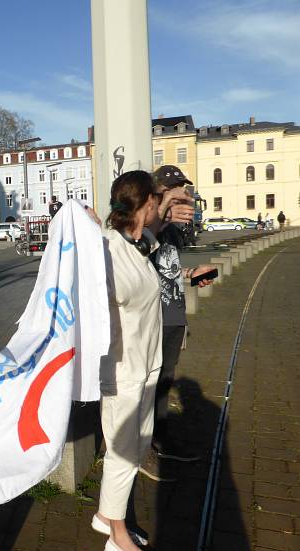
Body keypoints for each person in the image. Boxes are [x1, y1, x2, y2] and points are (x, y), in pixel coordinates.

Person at [93, 170, 161, 551]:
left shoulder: (136, 244)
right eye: (156, 202)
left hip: (146, 365)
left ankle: (107, 516)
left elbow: (150, 239)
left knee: (136, 448)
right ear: (147, 203)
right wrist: (88, 236)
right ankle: (117, 537)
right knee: (121, 453)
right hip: (123, 371)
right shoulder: (108, 250)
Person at [141, 166, 215, 474]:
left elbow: (167, 268)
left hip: (173, 316)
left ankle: (160, 438)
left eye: (184, 191)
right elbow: (138, 252)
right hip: (151, 318)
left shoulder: (173, 231)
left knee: (164, 380)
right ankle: (140, 447)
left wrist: (192, 274)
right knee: (147, 382)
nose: (182, 197)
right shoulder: (148, 225)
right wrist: (164, 213)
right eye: (174, 192)